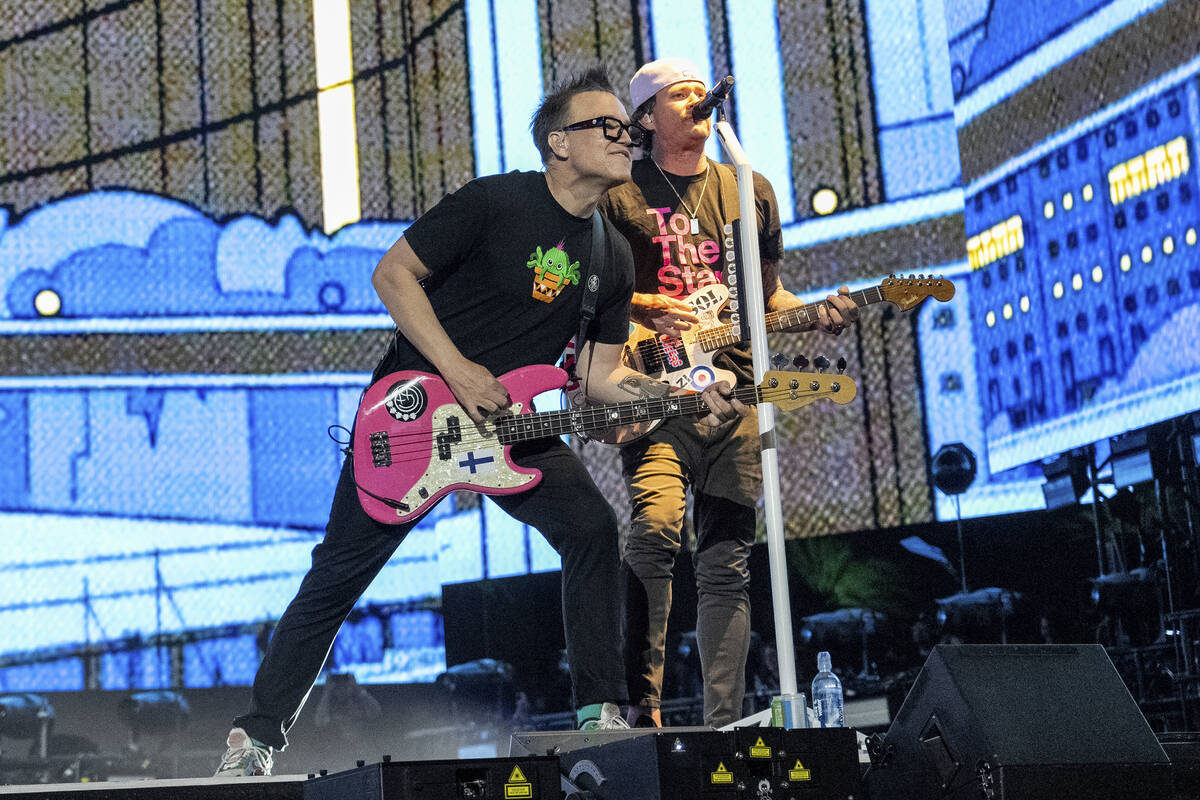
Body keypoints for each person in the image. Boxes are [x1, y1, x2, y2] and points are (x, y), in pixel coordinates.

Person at [214, 66, 748, 777]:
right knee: (338, 579)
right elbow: (392, 274)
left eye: (629, 127)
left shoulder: (611, 255)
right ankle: (254, 741)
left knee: (590, 527)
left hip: (514, 426)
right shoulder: (495, 202)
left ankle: (599, 715)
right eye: (608, 126)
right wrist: (458, 371)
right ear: (559, 142)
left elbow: (597, 376)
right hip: (415, 414)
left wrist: (684, 397)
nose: (627, 138)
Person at [600, 58, 860, 729]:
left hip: (735, 393)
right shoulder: (620, 194)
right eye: (678, 94)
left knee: (728, 562)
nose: (697, 100)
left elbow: (765, 296)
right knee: (655, 528)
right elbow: (586, 293)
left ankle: (721, 725)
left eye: (701, 91)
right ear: (647, 118)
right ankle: (642, 708)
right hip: (655, 389)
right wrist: (642, 306)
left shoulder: (749, 187)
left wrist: (817, 310)